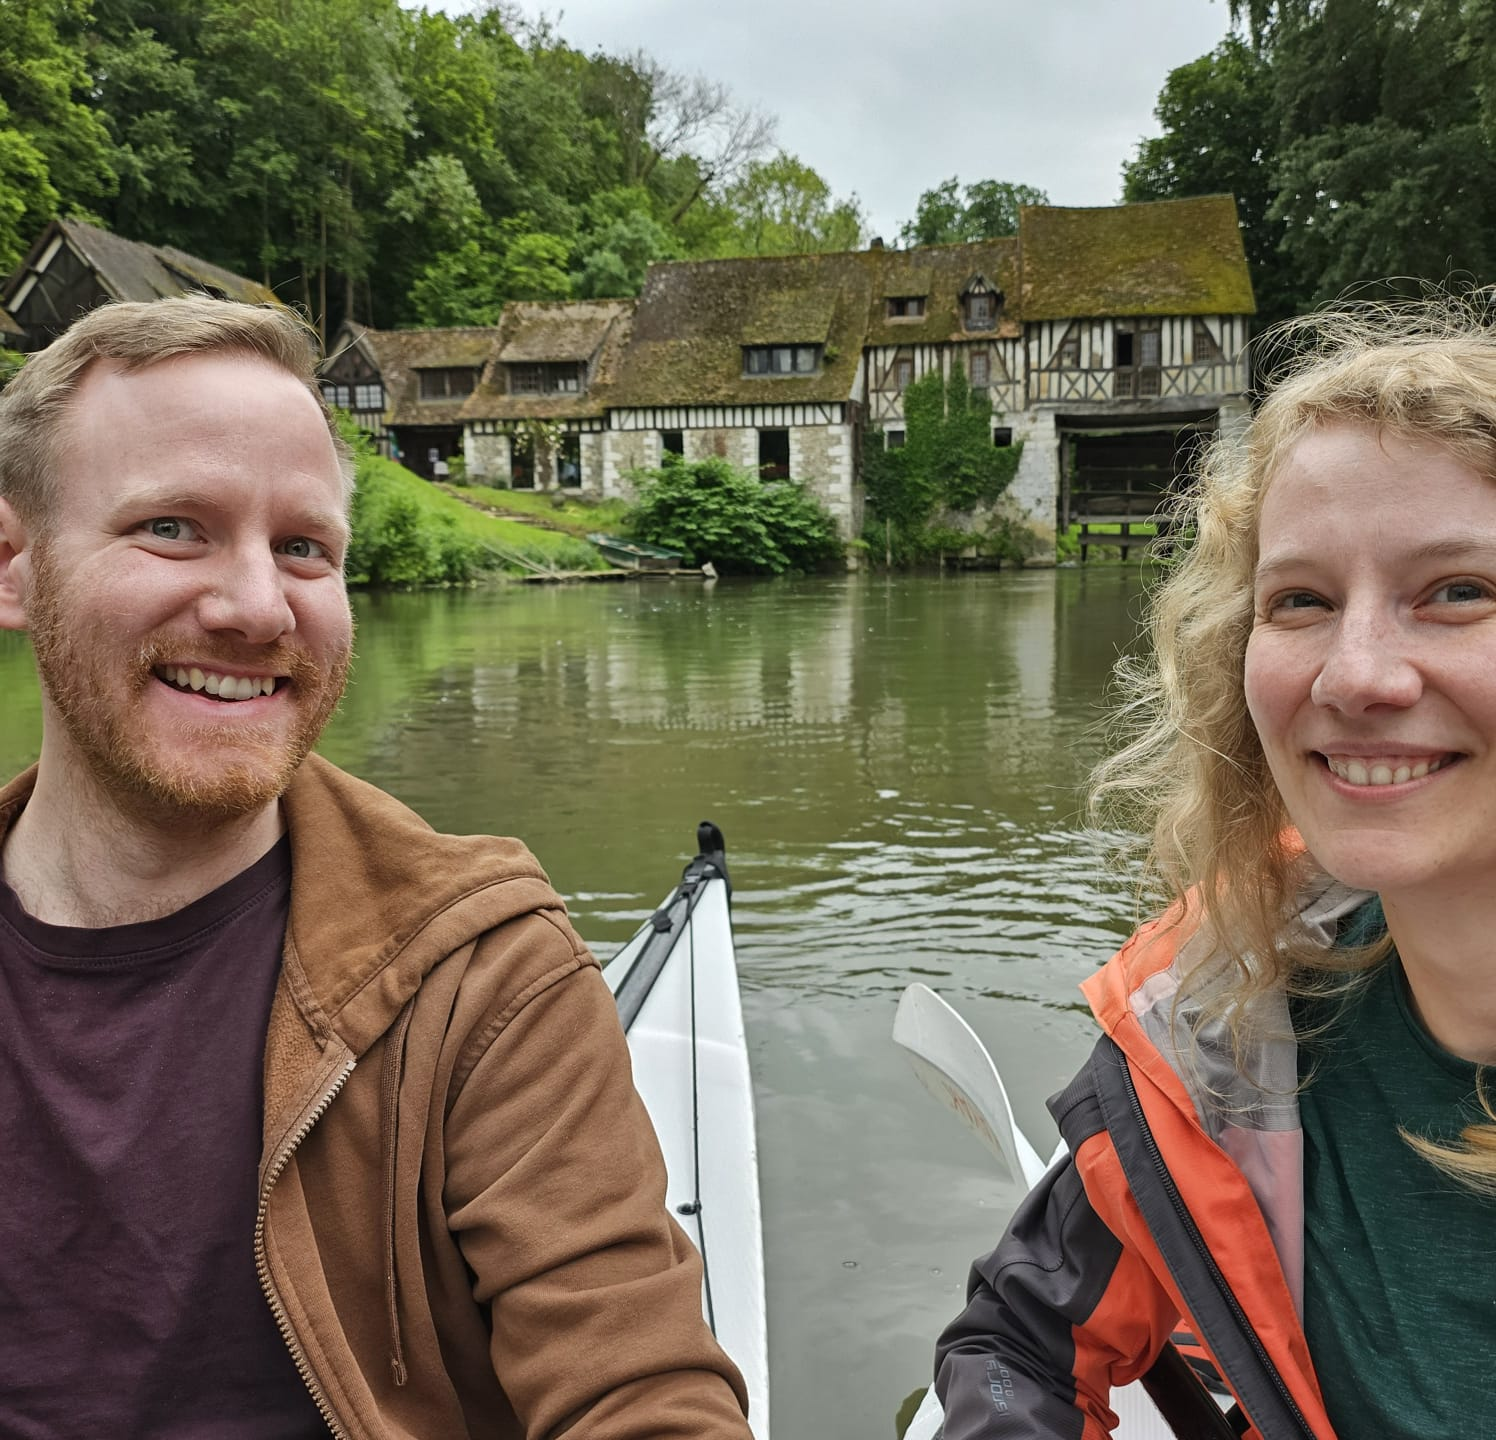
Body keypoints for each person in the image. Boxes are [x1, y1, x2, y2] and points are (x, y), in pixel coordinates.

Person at [0, 295, 751, 1438]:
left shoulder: (484, 980)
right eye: (174, 528)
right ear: (13, 568)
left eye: (303, 547)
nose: (258, 608)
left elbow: (638, 1393)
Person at [934, 303, 1496, 1440]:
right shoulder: (1225, 1023)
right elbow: (1019, 1343)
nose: (1355, 676)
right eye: (1300, 600)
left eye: (1456, 591)